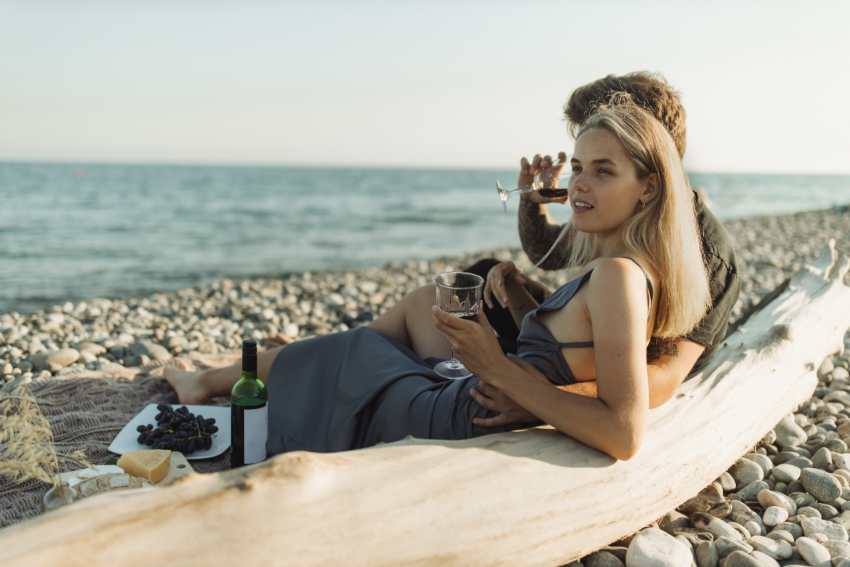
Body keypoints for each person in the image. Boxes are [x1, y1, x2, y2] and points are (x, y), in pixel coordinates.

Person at [167, 96, 711, 461]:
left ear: (648, 187)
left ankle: (214, 381)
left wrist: (493, 364)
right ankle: (251, 372)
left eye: (604, 170)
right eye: (579, 167)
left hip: (459, 416)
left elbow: (624, 432)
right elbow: (573, 353)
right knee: (409, 316)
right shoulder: (624, 266)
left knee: (357, 350)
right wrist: (521, 304)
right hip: (477, 396)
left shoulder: (618, 275)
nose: (578, 185)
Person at [367, 72, 740, 426]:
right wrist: (533, 202)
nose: (590, 143)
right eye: (581, 159)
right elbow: (549, 253)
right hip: (573, 361)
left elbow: (662, 377)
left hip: (591, 387)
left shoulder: (707, 249)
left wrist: (535, 399)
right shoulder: (622, 221)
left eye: (604, 163)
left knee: (371, 361)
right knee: (484, 274)